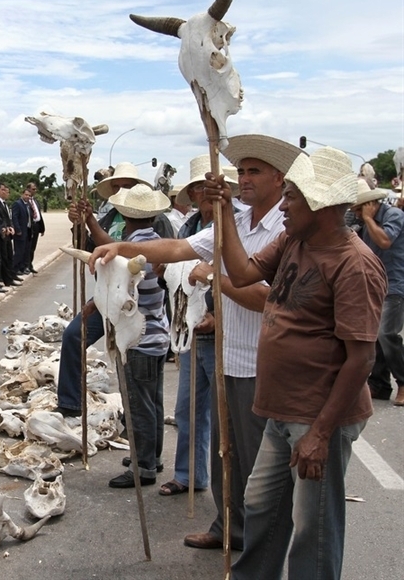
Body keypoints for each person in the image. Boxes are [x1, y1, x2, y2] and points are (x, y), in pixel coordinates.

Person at [88, 135, 298, 551]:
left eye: (255, 172)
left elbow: (268, 298)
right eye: (243, 171)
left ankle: (259, 546)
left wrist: (216, 279)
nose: (246, 179)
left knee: (257, 463)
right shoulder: (234, 222)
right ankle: (227, 527)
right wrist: (121, 246)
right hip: (225, 356)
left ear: (279, 178)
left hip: (260, 363)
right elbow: (179, 248)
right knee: (226, 452)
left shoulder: (285, 228)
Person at [208, 146, 385, 579]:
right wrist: (224, 210)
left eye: (291, 197)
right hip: (282, 411)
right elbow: (242, 272)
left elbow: (361, 359)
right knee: (261, 505)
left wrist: (321, 434)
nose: (283, 206)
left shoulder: (354, 265)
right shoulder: (294, 240)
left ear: (321, 205)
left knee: (314, 528)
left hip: (317, 417)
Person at [55, 181, 171, 488]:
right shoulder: (154, 243)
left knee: (138, 405)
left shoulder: (133, 252)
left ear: (124, 214)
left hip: (137, 338)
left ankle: (143, 467)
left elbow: (115, 281)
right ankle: (151, 456)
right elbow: (111, 249)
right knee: (152, 401)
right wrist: (90, 221)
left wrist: (95, 303)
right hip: (157, 336)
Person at [158, 156, 238, 497]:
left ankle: (231, 492)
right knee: (187, 409)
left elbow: (247, 278)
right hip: (191, 332)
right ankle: (189, 475)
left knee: (227, 419)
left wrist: (218, 316)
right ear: (191, 193)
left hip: (226, 335)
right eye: (199, 188)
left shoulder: (235, 225)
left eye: (211, 187)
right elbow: (175, 275)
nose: (206, 194)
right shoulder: (188, 228)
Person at [350, 179, 404, 405]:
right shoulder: (362, 223)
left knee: (386, 333)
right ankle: (379, 384)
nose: (355, 214)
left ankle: (403, 382)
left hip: (395, 284)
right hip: (374, 284)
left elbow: (384, 241)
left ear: (369, 205)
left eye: (358, 209)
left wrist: (369, 219)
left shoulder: (393, 216)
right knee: (374, 336)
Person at [0, 182, 22, 288]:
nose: (4, 192)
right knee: (2, 258)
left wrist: (10, 227)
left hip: (7, 233)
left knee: (8, 256)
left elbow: (7, 218)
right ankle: (2, 279)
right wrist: (3, 228)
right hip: (0, 233)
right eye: (2, 190)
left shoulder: (3, 203)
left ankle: (9, 278)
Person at [26, 181, 46, 273]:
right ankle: (25, 265)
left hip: (37, 226)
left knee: (33, 247)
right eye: (33, 189)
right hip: (30, 226)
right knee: (27, 247)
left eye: (35, 189)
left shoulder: (35, 201)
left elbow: (39, 215)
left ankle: (30, 264)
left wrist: (42, 228)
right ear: (28, 189)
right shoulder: (25, 202)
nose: (35, 191)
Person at [11, 189, 32, 274]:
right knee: (19, 252)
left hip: (27, 231)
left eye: (29, 195)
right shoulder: (17, 204)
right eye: (26, 195)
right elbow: (14, 217)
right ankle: (14, 269)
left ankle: (21, 268)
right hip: (20, 232)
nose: (27, 197)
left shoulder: (28, 205)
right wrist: (18, 229)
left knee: (25, 251)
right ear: (22, 194)